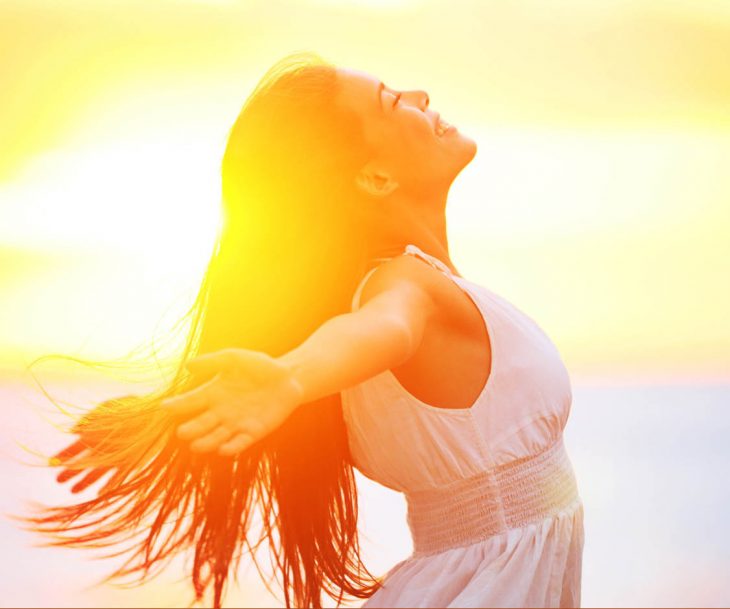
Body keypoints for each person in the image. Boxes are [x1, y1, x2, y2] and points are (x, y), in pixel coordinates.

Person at [18, 51, 584, 608]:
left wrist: (170, 424)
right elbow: (384, 327)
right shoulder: (405, 289)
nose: (420, 97)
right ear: (376, 176)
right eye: (392, 101)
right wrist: (289, 378)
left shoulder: (395, 291)